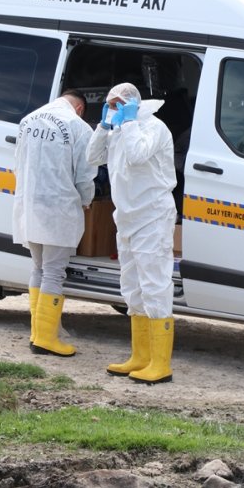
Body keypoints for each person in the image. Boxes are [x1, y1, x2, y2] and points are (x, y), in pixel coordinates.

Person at [87, 82, 177, 384]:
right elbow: (92, 157)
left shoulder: (153, 127)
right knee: (132, 285)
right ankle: (140, 357)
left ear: (132, 104)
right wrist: (103, 125)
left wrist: (126, 123)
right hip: (126, 215)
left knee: (155, 284)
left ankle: (160, 364)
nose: (113, 108)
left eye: (117, 104)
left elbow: (138, 155)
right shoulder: (118, 129)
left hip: (152, 214)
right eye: (109, 104)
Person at [12, 90, 96, 357]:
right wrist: (86, 199)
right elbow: (85, 173)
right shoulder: (78, 127)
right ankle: (46, 339)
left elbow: (18, 164)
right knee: (54, 272)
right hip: (58, 207)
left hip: (29, 204)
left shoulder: (28, 120)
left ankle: (37, 333)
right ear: (80, 108)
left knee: (38, 268)